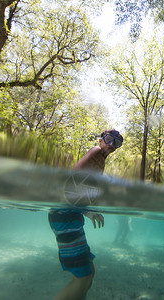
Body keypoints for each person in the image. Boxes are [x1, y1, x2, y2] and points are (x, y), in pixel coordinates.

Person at [48, 129, 123, 300]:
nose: (112, 145)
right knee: (82, 279)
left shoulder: (101, 161)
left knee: (90, 273)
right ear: (100, 140)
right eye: (109, 139)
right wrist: (86, 210)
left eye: (117, 143)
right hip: (65, 214)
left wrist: (89, 207)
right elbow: (73, 177)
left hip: (72, 214)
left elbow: (86, 188)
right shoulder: (96, 151)